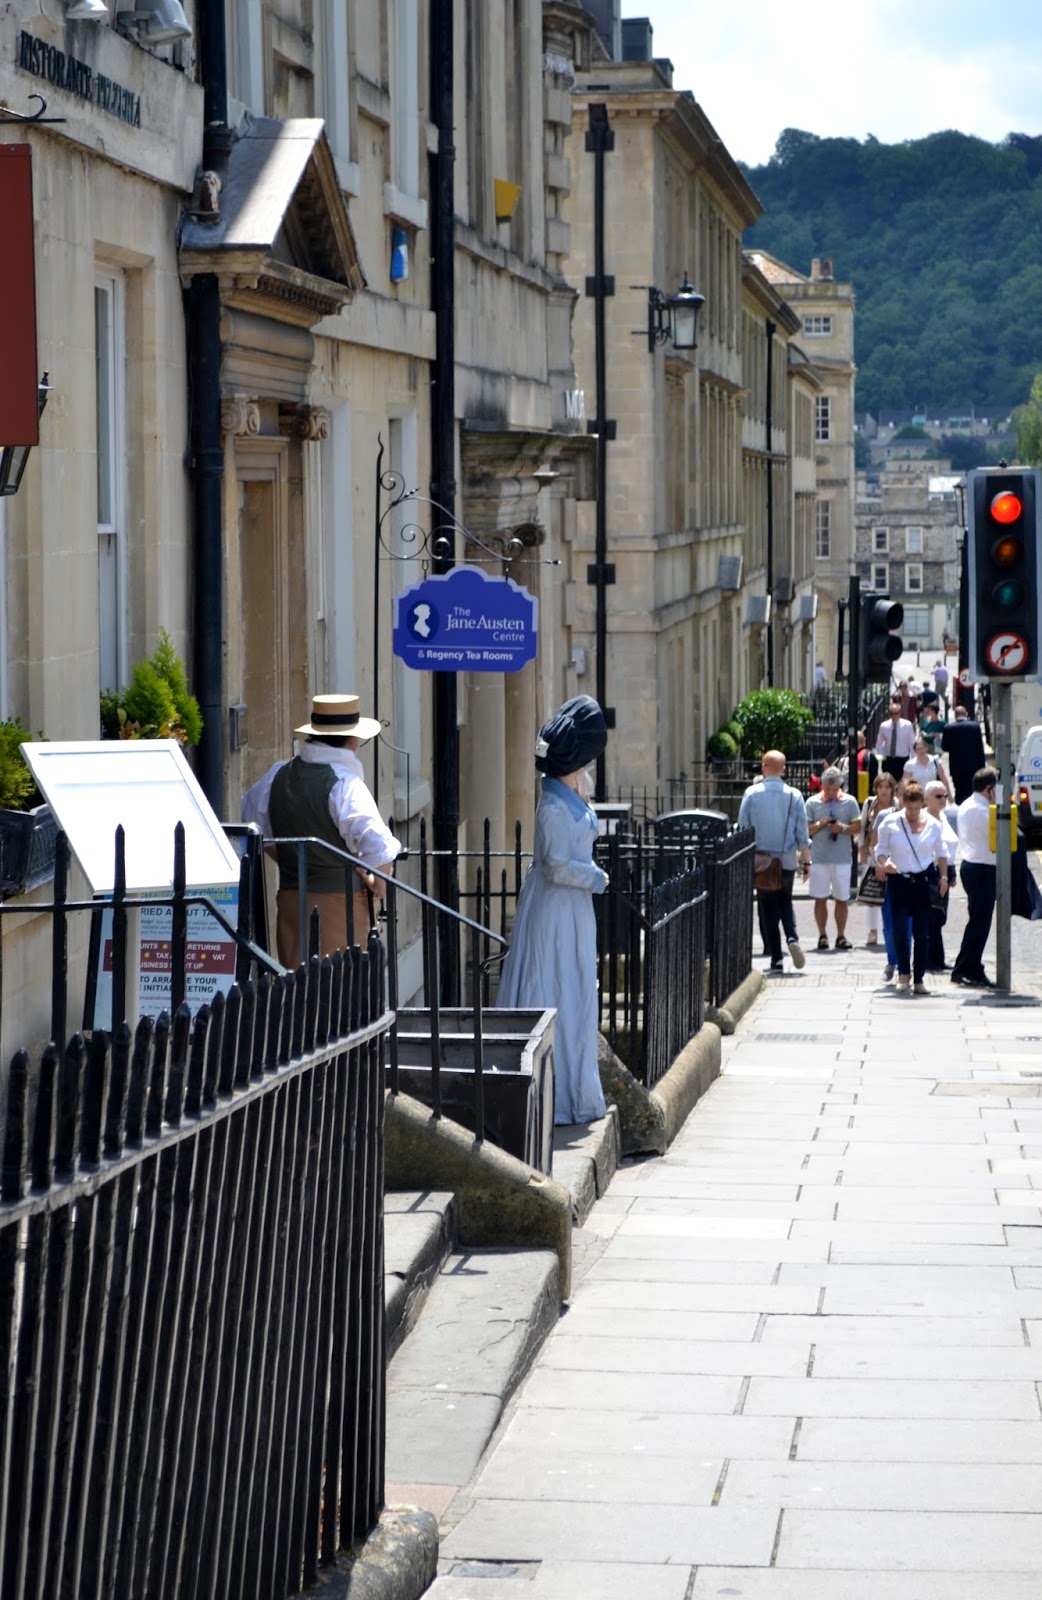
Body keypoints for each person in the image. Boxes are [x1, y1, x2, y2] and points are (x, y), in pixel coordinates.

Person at [497, 695, 609, 1125]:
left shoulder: (567, 790)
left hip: (571, 911)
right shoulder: (552, 808)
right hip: (556, 913)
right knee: (555, 984)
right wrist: (597, 878)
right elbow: (557, 865)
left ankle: (575, 1093)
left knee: (576, 987)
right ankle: (554, 1098)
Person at [241, 692, 401, 968]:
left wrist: (294, 860)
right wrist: (377, 885)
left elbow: (254, 825)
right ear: (353, 741)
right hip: (340, 908)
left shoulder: (277, 774)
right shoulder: (345, 784)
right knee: (340, 996)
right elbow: (380, 849)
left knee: (299, 989)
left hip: (292, 903)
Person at [737, 750, 811, 975]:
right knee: (785, 901)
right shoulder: (794, 795)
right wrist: (806, 862)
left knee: (767, 907)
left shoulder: (752, 794)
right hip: (786, 858)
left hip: (761, 861)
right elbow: (802, 831)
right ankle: (792, 936)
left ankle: (776, 958)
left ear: (764, 767)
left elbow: (742, 829)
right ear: (784, 769)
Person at [874, 779, 949, 993]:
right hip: (899, 879)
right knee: (899, 929)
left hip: (924, 880)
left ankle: (919, 980)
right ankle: (904, 974)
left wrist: (943, 878)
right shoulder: (890, 822)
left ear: (923, 804)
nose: (913, 813)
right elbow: (880, 850)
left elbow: (941, 853)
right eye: (909, 808)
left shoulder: (934, 825)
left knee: (922, 932)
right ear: (902, 803)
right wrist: (884, 862)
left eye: (917, 808)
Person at [950, 766, 998, 987]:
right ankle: (963, 969)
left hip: (973, 866)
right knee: (979, 924)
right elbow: (999, 837)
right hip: (983, 869)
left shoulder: (968, 804)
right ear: (989, 789)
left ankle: (974, 967)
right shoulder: (983, 811)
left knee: (977, 922)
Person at [805, 766, 861, 951]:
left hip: (842, 858)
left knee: (841, 898)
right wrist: (820, 825)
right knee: (820, 898)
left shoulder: (850, 802)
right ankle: (822, 935)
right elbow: (806, 829)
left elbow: (858, 827)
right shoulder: (812, 803)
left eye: (834, 789)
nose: (830, 792)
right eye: (827, 789)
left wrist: (842, 828)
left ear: (840, 786)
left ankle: (841, 935)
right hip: (820, 857)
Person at [858, 771, 898, 950]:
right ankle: (872, 930)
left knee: (892, 892)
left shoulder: (897, 805)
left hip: (893, 853)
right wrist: (861, 849)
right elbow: (862, 827)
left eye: (887, 787)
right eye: (880, 787)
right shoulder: (869, 803)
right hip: (872, 851)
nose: (883, 791)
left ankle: (892, 928)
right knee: (872, 892)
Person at [924, 779, 959, 972]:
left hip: (945, 871)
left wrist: (950, 872)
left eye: (945, 795)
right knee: (931, 916)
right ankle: (929, 959)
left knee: (939, 917)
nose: (943, 799)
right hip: (931, 872)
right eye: (938, 796)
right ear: (927, 798)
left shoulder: (944, 817)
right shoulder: (924, 818)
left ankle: (937, 959)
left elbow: (949, 847)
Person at [941, 706, 987, 804]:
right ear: (966, 714)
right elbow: (980, 748)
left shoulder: (948, 728)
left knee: (959, 793)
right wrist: (982, 768)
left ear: (955, 715)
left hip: (956, 768)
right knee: (973, 792)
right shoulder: (975, 726)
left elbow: (944, 747)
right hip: (973, 767)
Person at [875, 699, 916, 784]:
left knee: (902, 783)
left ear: (900, 713)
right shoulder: (884, 726)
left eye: (896, 713)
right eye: (891, 714)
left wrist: (914, 760)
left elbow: (912, 744)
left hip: (902, 759)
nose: (894, 716)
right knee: (888, 783)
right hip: (888, 759)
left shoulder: (907, 725)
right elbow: (879, 743)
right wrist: (881, 754)